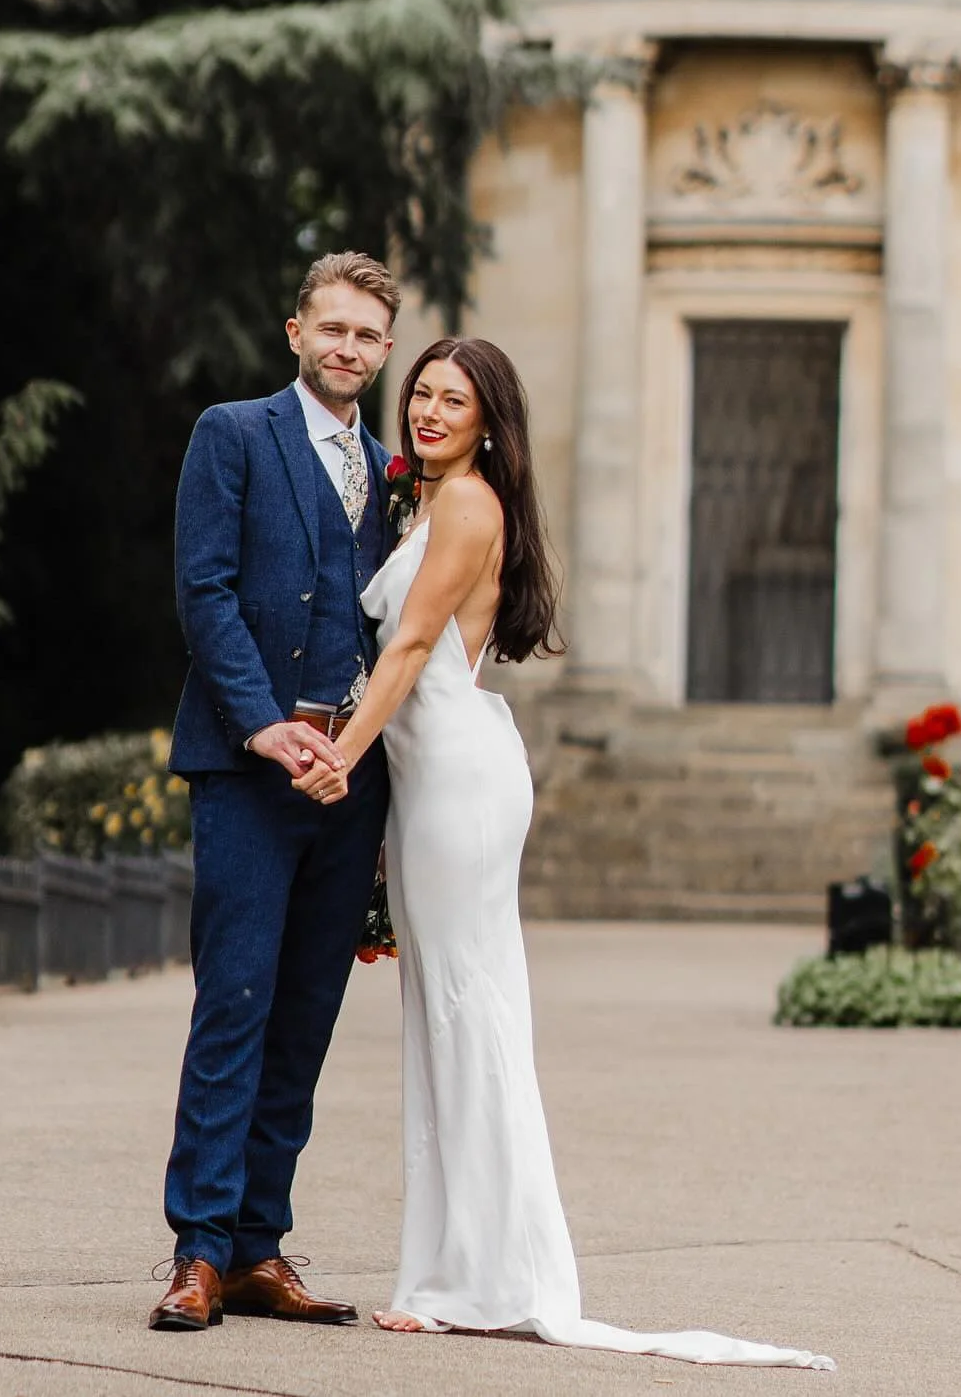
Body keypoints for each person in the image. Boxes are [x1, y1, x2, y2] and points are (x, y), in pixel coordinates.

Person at [295, 336, 835, 1372]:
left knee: (467, 1012)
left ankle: (486, 1280)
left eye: (454, 400)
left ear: (490, 418)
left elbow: (408, 647)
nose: (430, 411)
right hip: (437, 775)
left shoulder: (467, 505)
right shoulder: (435, 499)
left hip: (453, 775)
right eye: (424, 395)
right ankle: (456, 1270)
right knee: (448, 1014)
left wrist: (341, 760)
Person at [148, 250, 400, 1334]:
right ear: (295, 330)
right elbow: (202, 588)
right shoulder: (233, 433)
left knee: (305, 1015)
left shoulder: (394, 472)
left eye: (367, 334)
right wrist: (262, 722)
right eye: (331, 327)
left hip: (353, 782)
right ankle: (198, 1250)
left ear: (386, 349)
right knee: (236, 1004)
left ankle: (260, 1244)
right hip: (252, 769)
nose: (348, 347)